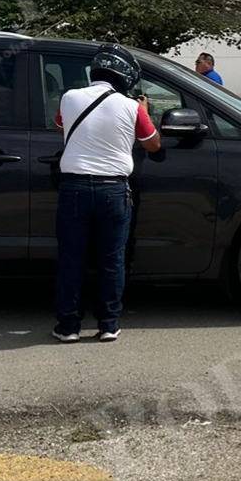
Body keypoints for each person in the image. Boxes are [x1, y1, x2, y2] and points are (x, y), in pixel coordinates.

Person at [52, 44, 163, 344]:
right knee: (111, 259)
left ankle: (68, 327)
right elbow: (153, 144)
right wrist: (145, 112)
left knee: (71, 259)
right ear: (124, 76)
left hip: (74, 188)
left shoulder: (69, 97)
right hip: (114, 191)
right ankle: (109, 324)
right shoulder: (132, 107)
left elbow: (59, 124)